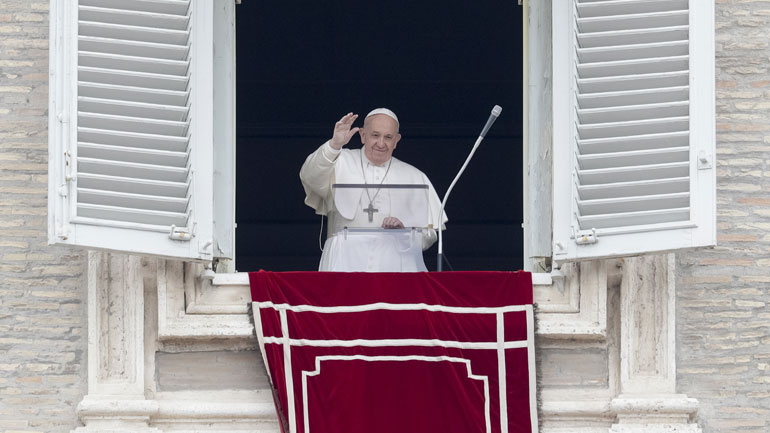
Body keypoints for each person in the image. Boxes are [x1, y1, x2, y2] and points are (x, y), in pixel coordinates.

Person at [300, 108, 447, 272]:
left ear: (396, 140)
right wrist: (334, 145)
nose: (381, 143)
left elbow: (429, 235)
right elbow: (309, 176)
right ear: (363, 135)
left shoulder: (414, 176)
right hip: (344, 261)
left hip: (395, 265)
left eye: (388, 137)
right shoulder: (339, 161)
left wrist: (405, 232)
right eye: (375, 135)